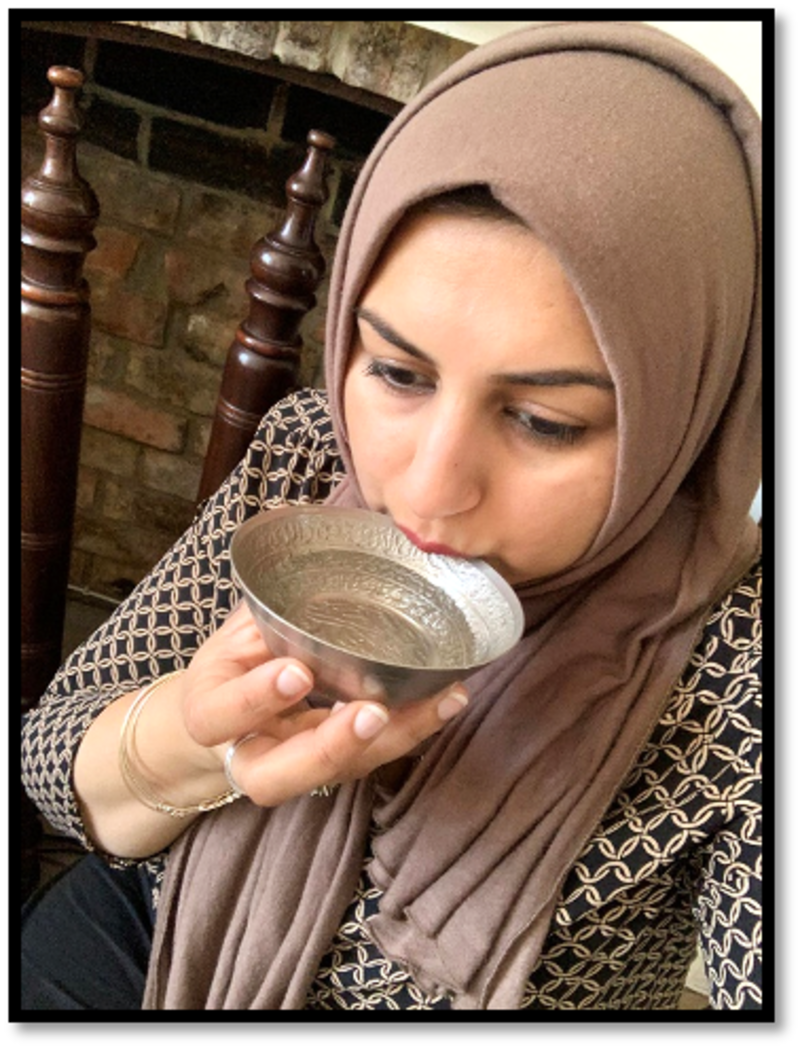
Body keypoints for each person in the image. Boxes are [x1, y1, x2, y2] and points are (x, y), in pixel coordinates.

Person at [21, 21, 761, 1010]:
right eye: (396, 372)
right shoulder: (308, 451)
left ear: (686, 409)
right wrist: (199, 743)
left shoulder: (736, 651)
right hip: (151, 941)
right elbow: (53, 757)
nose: (422, 487)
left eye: (543, 420)